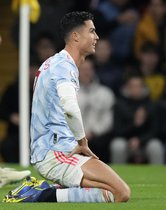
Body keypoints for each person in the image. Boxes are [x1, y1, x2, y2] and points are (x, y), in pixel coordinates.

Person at [4, 11, 130, 203]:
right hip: (56, 153)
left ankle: (44, 190)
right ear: (76, 36)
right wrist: (82, 142)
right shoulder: (63, 67)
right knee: (121, 193)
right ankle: (41, 194)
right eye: (92, 31)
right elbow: (70, 107)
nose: (96, 37)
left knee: (109, 193)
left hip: (51, 150)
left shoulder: (54, 63)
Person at [111, 73, 164, 164]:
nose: (135, 89)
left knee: (156, 146)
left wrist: (140, 140)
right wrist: (135, 124)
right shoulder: (120, 105)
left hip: (146, 142)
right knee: (117, 145)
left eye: (138, 86)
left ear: (143, 88)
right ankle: (116, 177)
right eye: (132, 86)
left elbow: (155, 130)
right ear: (127, 88)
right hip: (126, 142)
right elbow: (117, 131)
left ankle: (158, 176)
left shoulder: (151, 104)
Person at [0, 34, 31, 189]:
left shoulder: (40, 86)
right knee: (8, 144)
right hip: (15, 133)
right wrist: (12, 117)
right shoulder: (13, 89)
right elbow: (2, 110)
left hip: (38, 133)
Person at [78, 57, 115, 163]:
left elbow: (108, 119)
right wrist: (81, 134)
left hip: (98, 138)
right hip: (74, 138)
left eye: (89, 69)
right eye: (83, 69)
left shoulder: (105, 93)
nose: (86, 73)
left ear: (93, 71)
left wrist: (93, 132)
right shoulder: (69, 93)